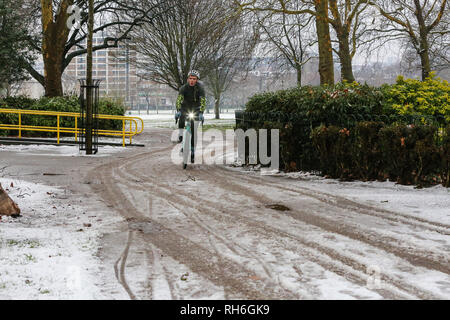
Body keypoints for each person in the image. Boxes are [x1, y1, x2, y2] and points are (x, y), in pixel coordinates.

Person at [175, 70, 206, 143]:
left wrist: (201, 112)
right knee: (182, 118)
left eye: (194, 79)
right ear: (188, 79)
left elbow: (203, 101)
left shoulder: (200, 88)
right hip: (185, 107)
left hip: (196, 108)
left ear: (197, 80)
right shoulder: (183, 88)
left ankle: (192, 138)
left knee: (194, 125)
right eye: (190, 78)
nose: (192, 80)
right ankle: (181, 134)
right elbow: (179, 100)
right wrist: (178, 111)